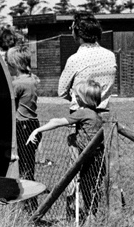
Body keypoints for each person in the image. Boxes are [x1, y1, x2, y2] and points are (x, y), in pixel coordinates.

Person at [28, 79, 107, 219]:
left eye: (76, 96)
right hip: (97, 158)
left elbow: (58, 122)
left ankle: (90, 219)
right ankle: (90, 217)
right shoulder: (95, 113)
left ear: (82, 98)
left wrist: (37, 130)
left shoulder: (83, 113)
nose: (75, 98)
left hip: (89, 159)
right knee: (90, 189)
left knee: (88, 189)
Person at [58, 12, 116, 111]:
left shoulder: (74, 59)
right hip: (104, 112)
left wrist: (77, 98)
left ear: (78, 33)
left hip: (81, 114)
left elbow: (62, 91)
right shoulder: (110, 56)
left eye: (71, 29)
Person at [7, 45, 40, 188]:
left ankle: (27, 197)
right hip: (33, 124)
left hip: (22, 125)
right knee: (29, 162)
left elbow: (9, 105)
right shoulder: (31, 79)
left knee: (22, 164)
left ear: (15, 65)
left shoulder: (17, 83)